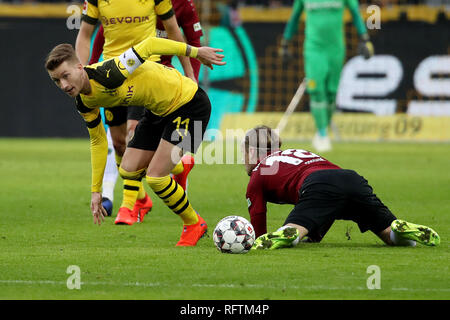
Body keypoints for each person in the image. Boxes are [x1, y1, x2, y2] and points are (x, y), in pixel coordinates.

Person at [45, 36, 226, 246]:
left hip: (189, 104)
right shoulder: (84, 102)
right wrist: (96, 191)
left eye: (65, 76)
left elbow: (150, 44)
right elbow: (98, 142)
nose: (64, 85)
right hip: (157, 112)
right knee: (128, 169)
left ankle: (194, 223)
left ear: (79, 67)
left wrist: (196, 52)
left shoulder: (110, 72)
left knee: (156, 178)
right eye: (57, 80)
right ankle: (179, 167)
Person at [76, 0, 198, 225]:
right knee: (120, 144)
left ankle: (127, 206)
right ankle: (170, 174)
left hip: (143, 72)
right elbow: (85, 34)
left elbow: (172, 28)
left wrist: (189, 70)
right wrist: (82, 71)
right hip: (110, 74)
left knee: (134, 132)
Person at [242, 125, 440, 250]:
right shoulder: (297, 153)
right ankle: (401, 229)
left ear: (251, 151)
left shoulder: (259, 173)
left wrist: (259, 241)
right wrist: (315, 235)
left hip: (318, 184)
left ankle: (290, 232)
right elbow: (328, 204)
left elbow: (258, 216)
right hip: (351, 179)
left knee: (292, 231)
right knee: (390, 236)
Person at [279, 0, 374, 152]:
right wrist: (285, 42)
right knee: (316, 90)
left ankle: (322, 131)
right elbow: (294, 17)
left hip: (336, 49)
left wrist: (365, 38)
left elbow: (356, 14)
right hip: (313, 49)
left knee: (331, 93)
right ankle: (322, 134)